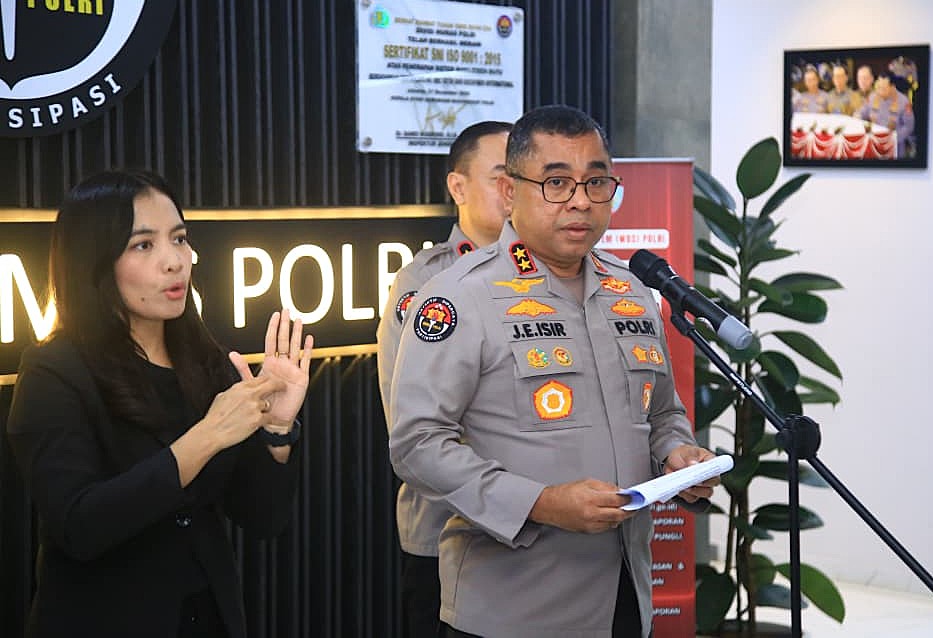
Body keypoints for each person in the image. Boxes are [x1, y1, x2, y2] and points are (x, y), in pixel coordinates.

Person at [388, 105, 719, 638]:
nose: (580, 201)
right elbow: (418, 445)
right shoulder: (458, 296)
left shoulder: (632, 291)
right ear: (511, 191)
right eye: (557, 183)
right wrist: (540, 504)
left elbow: (662, 414)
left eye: (596, 182)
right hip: (514, 607)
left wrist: (678, 454)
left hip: (625, 595)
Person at [6, 170, 313, 638]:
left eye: (180, 239)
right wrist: (207, 436)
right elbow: (80, 527)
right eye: (143, 245)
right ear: (93, 260)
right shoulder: (54, 371)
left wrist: (278, 429)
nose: (175, 261)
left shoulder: (206, 358)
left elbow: (263, 518)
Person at [376, 120, 512, 637]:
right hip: (450, 536)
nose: (514, 191)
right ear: (458, 187)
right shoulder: (426, 282)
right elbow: (413, 431)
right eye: (500, 177)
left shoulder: (549, 274)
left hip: (546, 540)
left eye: (523, 177)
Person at [857, 69, 916, 158]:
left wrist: (894, 138)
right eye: (879, 87)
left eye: (883, 88)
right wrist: (857, 116)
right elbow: (862, 112)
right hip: (874, 145)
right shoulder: (873, 97)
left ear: (892, 87)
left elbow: (909, 126)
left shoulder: (904, 102)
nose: (879, 91)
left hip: (895, 148)